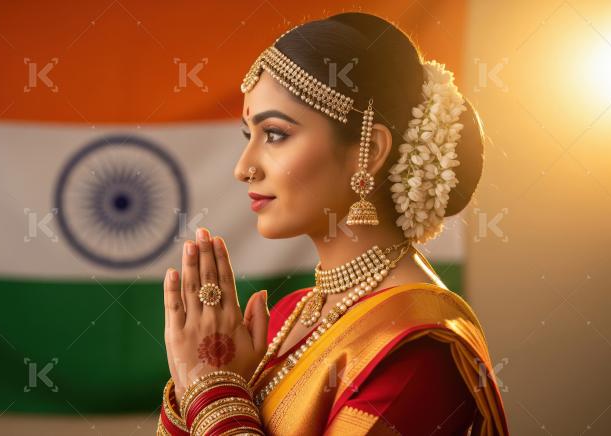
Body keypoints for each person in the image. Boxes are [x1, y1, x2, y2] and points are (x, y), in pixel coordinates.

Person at [157, 12, 509, 436]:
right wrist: (192, 383)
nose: (243, 167)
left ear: (370, 151)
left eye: (274, 133)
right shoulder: (286, 315)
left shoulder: (416, 349)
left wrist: (213, 390)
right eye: (246, 135)